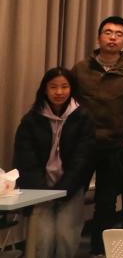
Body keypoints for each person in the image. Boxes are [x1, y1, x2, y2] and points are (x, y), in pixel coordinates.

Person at [70, 15, 123, 255]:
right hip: (83, 145)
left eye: (119, 34)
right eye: (108, 32)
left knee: (106, 202)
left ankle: (99, 250)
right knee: (72, 196)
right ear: (99, 37)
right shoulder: (81, 69)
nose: (113, 38)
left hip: (114, 146)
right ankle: (65, 247)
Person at [13, 68, 95, 258]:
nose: (59, 92)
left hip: (70, 188)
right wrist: (41, 192)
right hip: (38, 190)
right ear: (45, 89)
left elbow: (83, 158)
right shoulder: (31, 119)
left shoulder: (83, 117)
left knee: (66, 236)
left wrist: (65, 189)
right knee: (43, 238)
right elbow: (26, 160)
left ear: (71, 89)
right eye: (53, 87)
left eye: (64, 86)